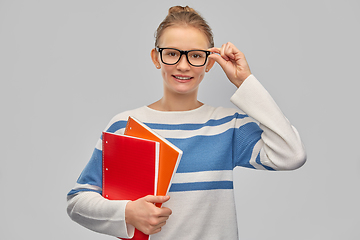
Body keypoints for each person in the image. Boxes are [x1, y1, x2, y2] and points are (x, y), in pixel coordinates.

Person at [67, 5, 306, 240]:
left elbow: (291, 155)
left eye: (195, 55)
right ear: (156, 57)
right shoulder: (125, 125)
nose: (183, 65)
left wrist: (245, 82)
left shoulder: (227, 126)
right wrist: (127, 213)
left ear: (210, 62)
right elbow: (78, 201)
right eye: (172, 53)